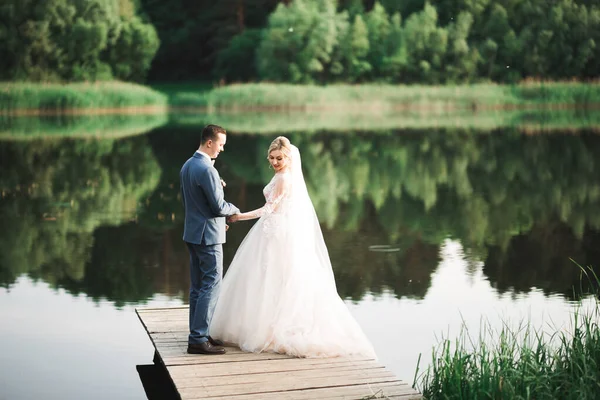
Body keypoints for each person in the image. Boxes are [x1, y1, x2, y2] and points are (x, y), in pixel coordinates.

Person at [211, 136, 376, 359]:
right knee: (264, 278)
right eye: (272, 158)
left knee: (278, 277)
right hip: (271, 230)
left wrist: (238, 217)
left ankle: (275, 328)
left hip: (279, 232)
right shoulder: (279, 175)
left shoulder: (284, 180)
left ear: (288, 157)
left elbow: (268, 209)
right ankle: (264, 324)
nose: (276, 161)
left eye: (279, 158)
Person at [180, 124, 240, 355]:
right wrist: (233, 209)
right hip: (208, 237)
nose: (222, 149)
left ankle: (199, 333)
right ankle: (197, 339)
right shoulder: (207, 170)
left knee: (197, 286)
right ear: (209, 142)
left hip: (193, 233)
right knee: (212, 285)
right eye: (221, 145)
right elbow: (217, 206)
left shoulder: (188, 165)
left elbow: (195, 202)